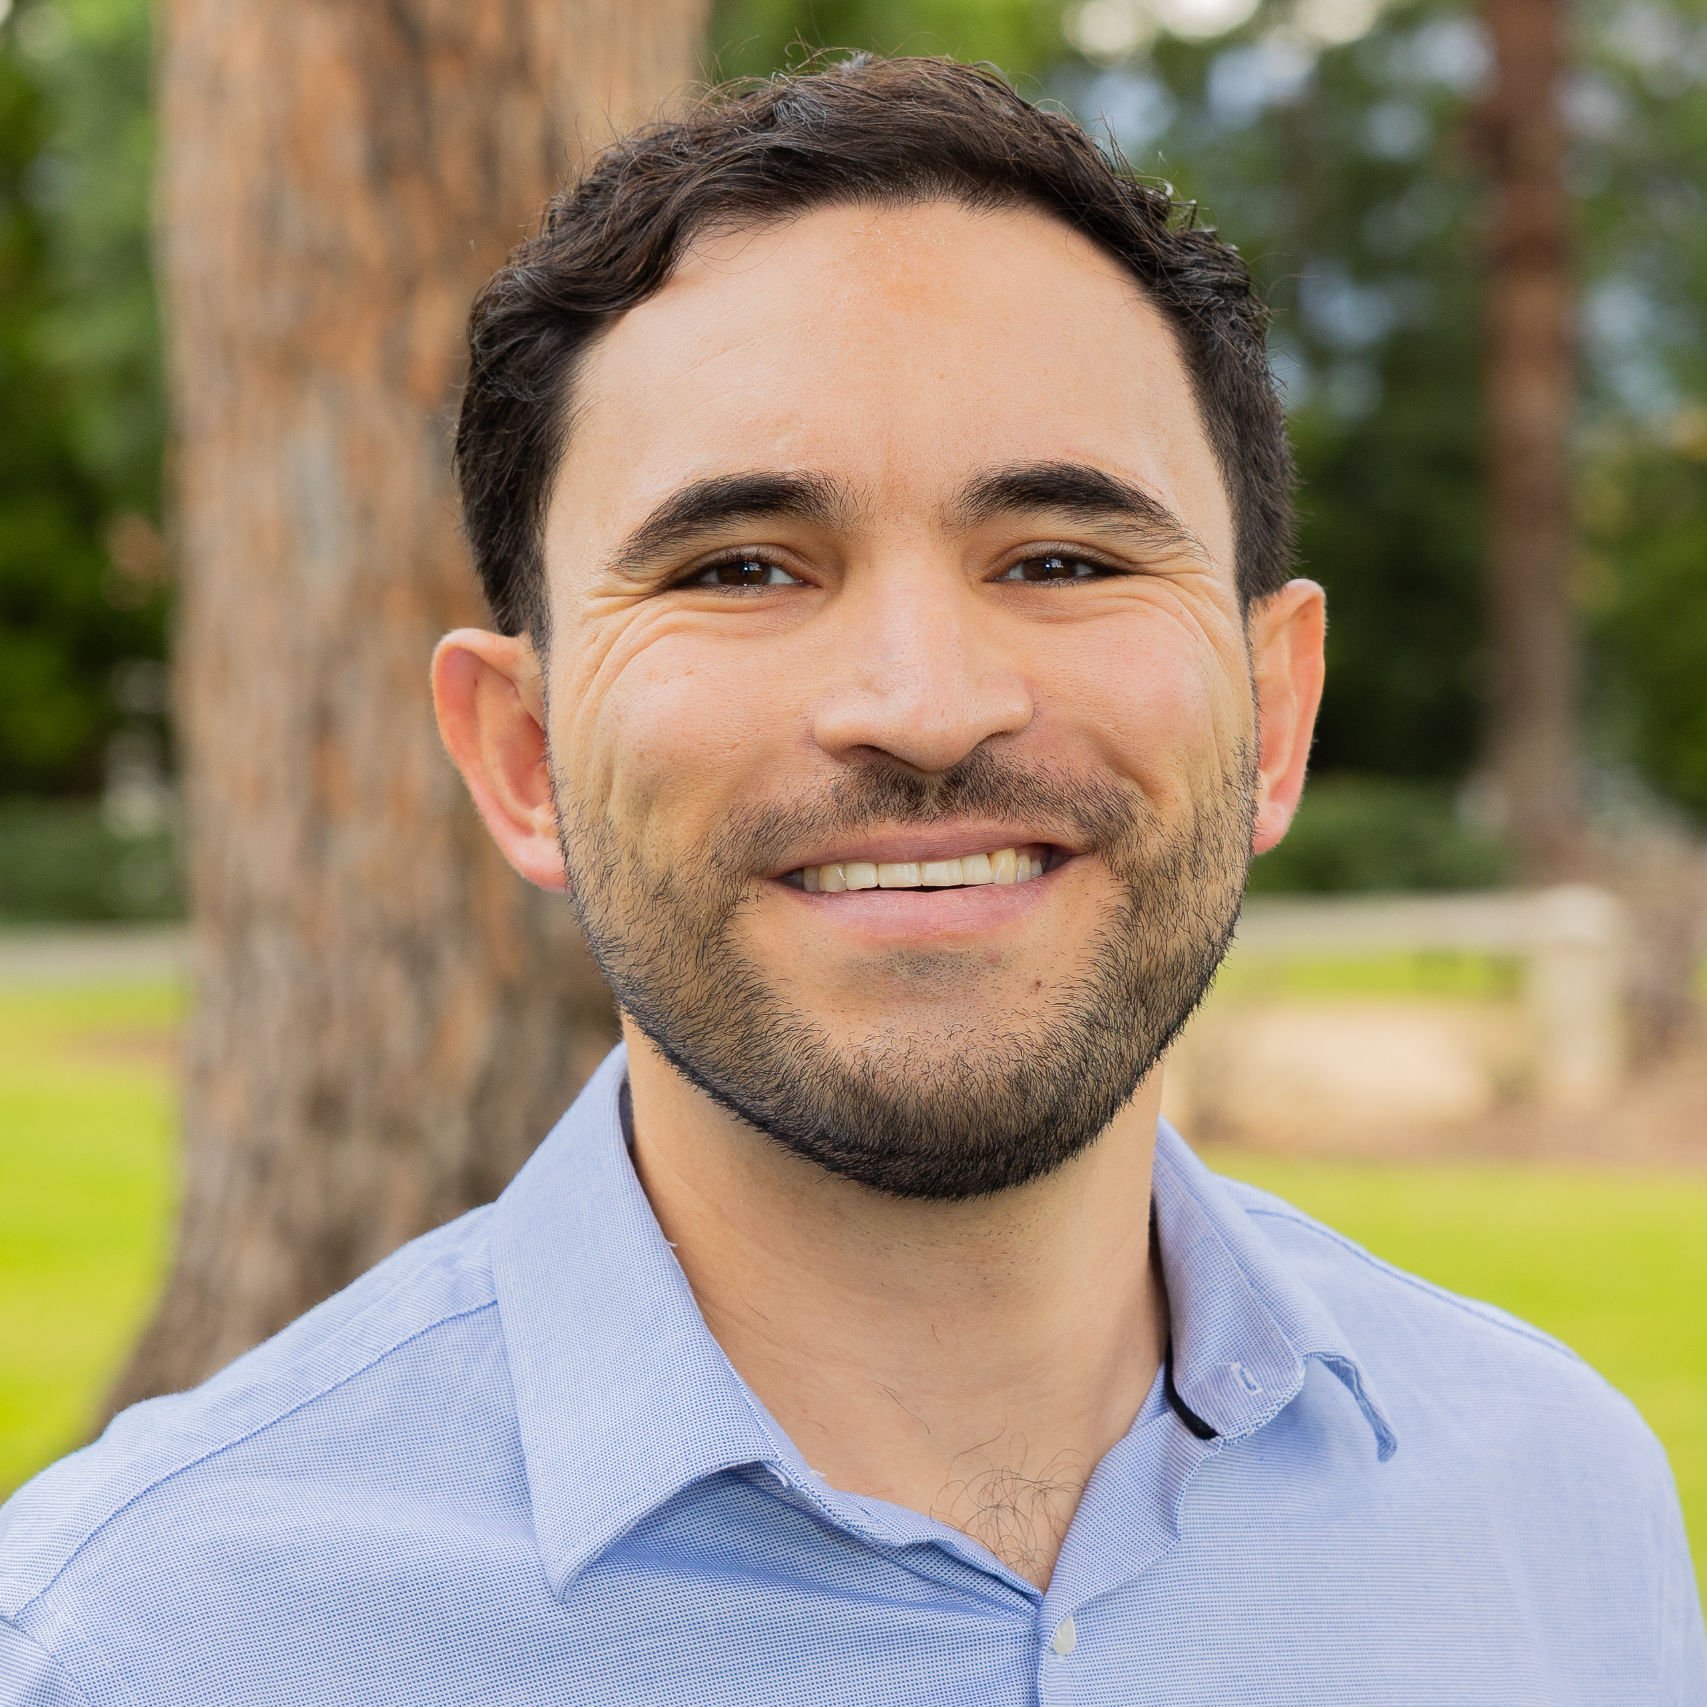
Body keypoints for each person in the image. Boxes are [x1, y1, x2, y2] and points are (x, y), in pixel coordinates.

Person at [3, 53, 1702, 1706]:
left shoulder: (1556, 1517)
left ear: (1274, 713)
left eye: (1060, 556)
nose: (923, 704)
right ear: (520, 758)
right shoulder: (138, 1645)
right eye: (741, 567)